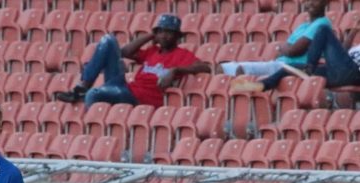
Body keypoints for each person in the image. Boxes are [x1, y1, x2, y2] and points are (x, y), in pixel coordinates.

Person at [55, 14, 210, 108]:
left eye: (169, 33)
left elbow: (205, 67)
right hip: (125, 88)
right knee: (108, 41)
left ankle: (89, 133)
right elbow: (125, 52)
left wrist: (176, 70)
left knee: (93, 95)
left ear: (177, 36)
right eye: (161, 32)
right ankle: (82, 86)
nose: (164, 36)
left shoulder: (182, 54)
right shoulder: (153, 51)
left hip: (140, 98)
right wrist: (151, 35)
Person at [232, 21, 360, 93]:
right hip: (335, 72)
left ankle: (308, 68)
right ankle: (259, 86)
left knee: (323, 29)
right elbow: (342, 53)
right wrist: (354, 30)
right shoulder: (355, 48)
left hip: (353, 73)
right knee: (288, 68)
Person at [221, 0, 330, 78]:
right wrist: (285, 48)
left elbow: (294, 50)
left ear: (325, 2)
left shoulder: (322, 24)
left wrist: (282, 47)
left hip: (291, 67)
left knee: (240, 69)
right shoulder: (303, 26)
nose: (311, 3)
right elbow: (285, 50)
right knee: (221, 68)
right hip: (279, 64)